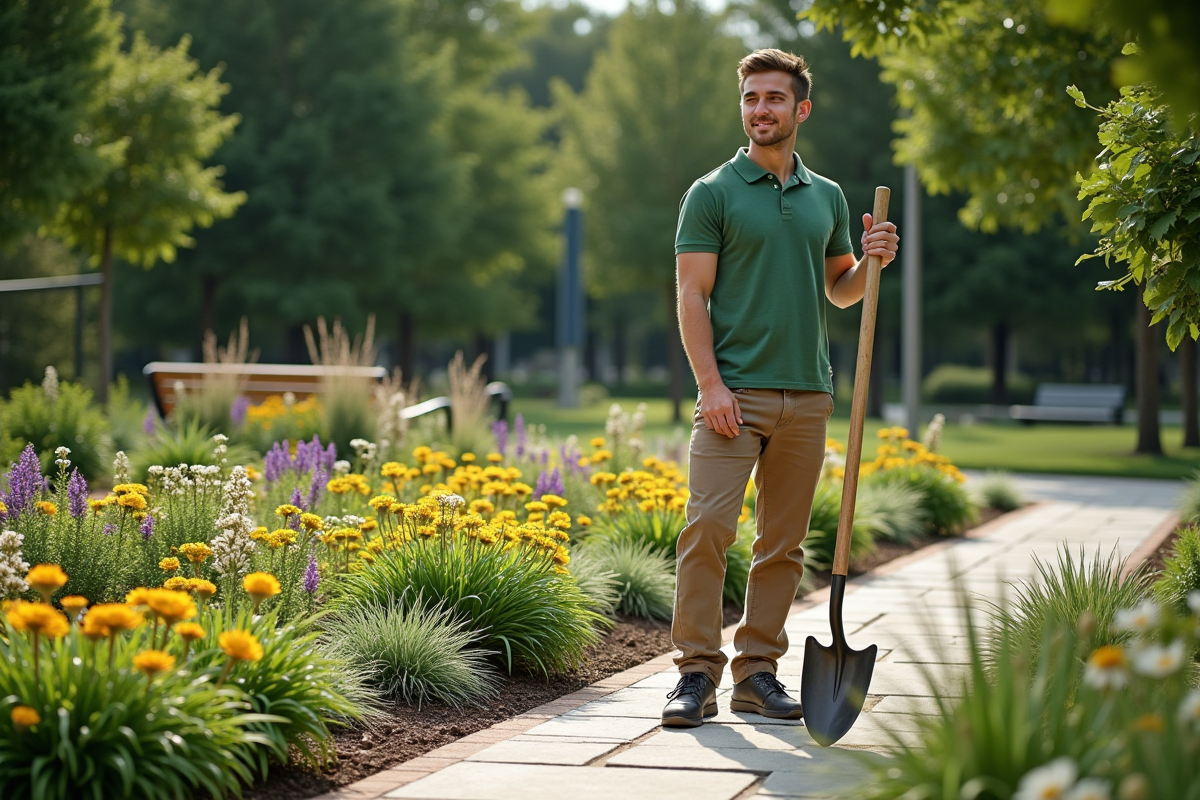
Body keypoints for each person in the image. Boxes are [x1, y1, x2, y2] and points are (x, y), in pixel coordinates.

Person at [663, 48, 899, 728]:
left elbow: (842, 288)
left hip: (808, 395)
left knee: (783, 545)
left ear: (801, 109)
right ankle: (694, 676)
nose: (760, 109)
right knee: (707, 527)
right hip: (733, 395)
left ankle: (757, 674)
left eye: (773, 98)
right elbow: (690, 293)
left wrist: (875, 258)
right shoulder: (712, 193)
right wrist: (710, 386)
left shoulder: (825, 196)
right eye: (750, 98)